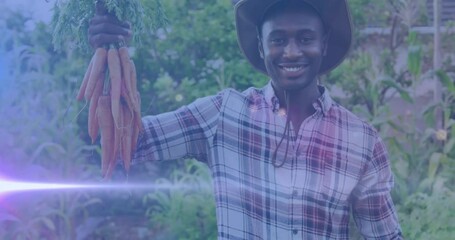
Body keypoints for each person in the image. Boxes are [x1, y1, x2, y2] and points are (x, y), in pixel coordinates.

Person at [88, 0, 403, 239]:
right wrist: (109, 55)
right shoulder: (223, 114)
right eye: (278, 40)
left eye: (305, 39)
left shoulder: (361, 141)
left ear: (323, 43)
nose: (291, 52)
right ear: (261, 46)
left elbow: (385, 235)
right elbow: (126, 143)